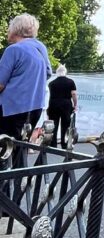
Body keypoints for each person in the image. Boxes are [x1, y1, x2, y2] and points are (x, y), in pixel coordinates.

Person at [0, 15, 52, 151]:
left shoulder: (13, 50)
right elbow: (48, 73)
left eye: (9, 28)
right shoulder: (41, 49)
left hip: (10, 109)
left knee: (5, 149)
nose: (7, 31)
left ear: (15, 29)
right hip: (35, 108)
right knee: (19, 150)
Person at [47, 64, 78, 148]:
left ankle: (53, 144)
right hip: (66, 104)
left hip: (53, 104)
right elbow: (74, 94)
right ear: (65, 72)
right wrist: (75, 105)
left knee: (54, 124)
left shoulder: (51, 83)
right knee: (65, 124)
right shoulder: (70, 82)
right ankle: (64, 143)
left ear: (57, 72)